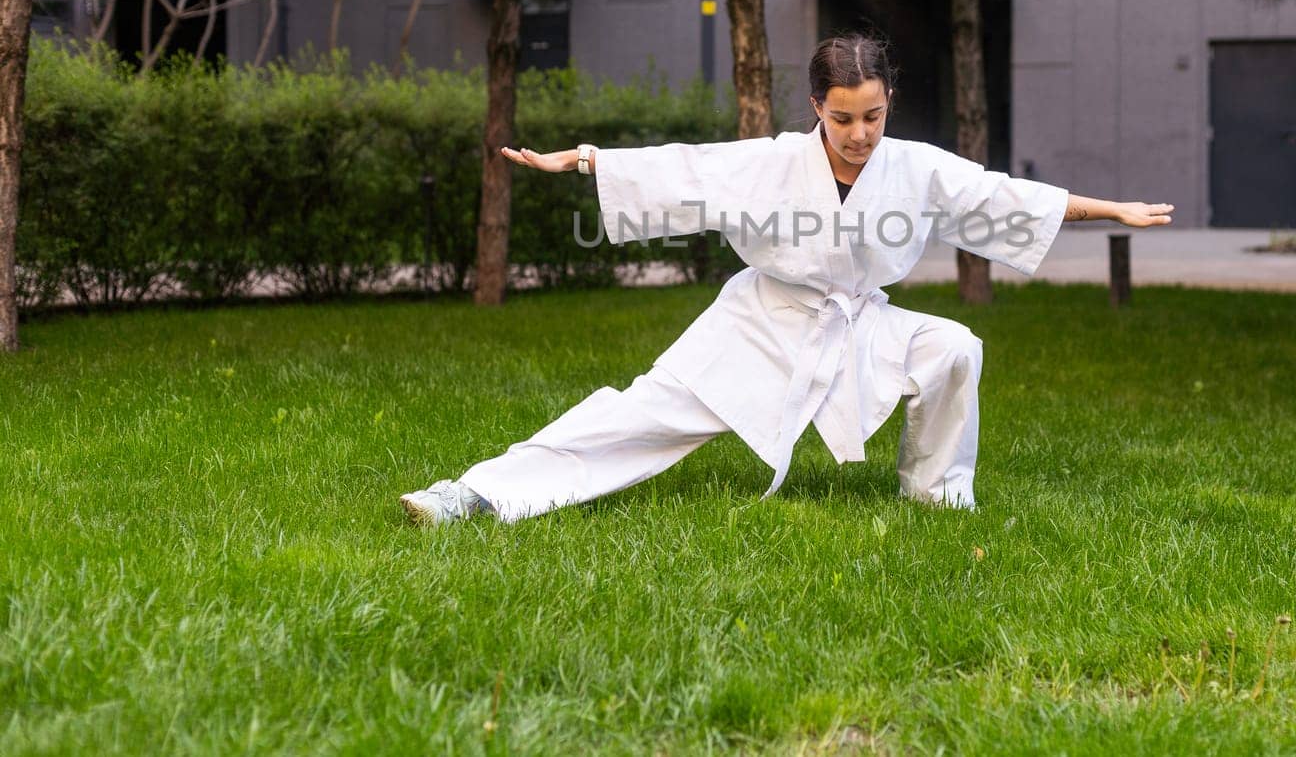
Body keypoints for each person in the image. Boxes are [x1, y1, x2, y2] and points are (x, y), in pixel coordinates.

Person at [400, 34, 1174, 525]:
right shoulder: (770, 161)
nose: (860, 134)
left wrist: (1116, 209)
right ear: (816, 108)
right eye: (843, 119)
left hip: (859, 321)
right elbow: (685, 168)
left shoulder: (915, 167)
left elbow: (1004, 196)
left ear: (887, 103)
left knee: (954, 348)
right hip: (760, 321)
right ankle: (478, 493)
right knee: (645, 413)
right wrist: (583, 159)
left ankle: (938, 497)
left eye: (873, 115)